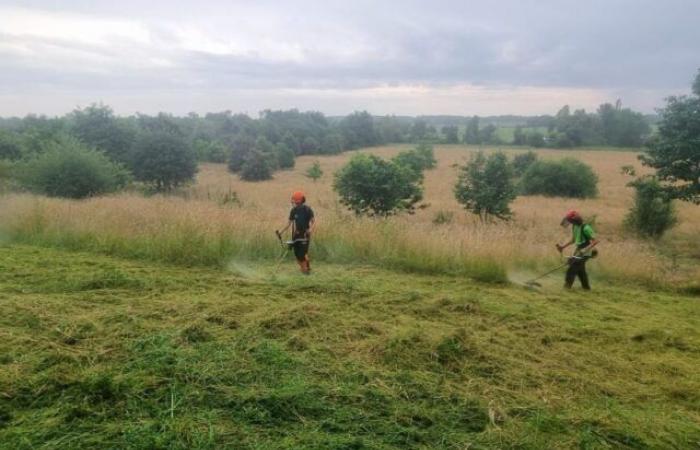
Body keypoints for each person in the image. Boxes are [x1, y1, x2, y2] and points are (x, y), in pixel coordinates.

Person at [556, 210, 599, 290]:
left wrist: (585, 249)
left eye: (570, 221)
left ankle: (566, 288)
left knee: (572, 268)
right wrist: (563, 247)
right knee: (580, 270)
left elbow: (595, 241)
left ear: (575, 220)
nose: (570, 222)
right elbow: (573, 239)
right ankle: (586, 288)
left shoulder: (586, 227)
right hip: (579, 249)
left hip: (587, 250)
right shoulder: (575, 226)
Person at [277, 191, 315, 274]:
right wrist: (281, 232)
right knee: (297, 255)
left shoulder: (307, 210)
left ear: (299, 201)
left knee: (301, 255)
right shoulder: (293, 211)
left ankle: (305, 272)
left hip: (305, 235)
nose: (292, 202)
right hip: (296, 235)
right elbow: (289, 223)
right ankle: (306, 267)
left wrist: (311, 229)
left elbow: (313, 221)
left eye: (293, 201)